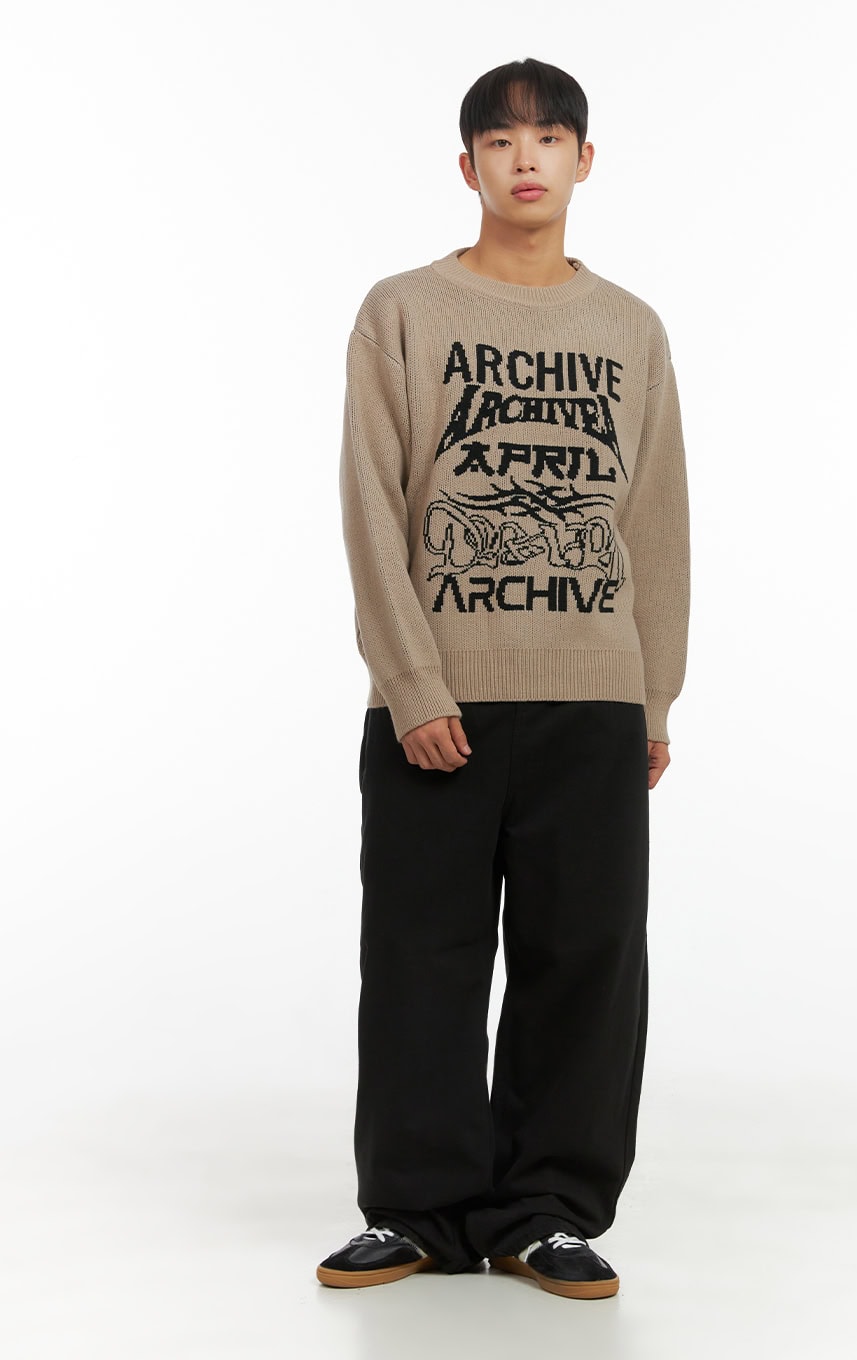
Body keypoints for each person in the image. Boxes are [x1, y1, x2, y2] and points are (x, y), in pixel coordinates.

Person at [316, 56, 691, 1301]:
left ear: (585, 160)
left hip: (594, 694)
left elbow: (655, 521)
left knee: (585, 957)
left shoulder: (629, 328)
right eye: (498, 140)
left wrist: (654, 695)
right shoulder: (402, 311)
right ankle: (418, 1210)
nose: (524, 158)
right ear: (467, 164)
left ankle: (548, 1210)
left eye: (548, 138)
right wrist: (412, 682)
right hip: (439, 700)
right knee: (418, 954)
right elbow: (372, 506)